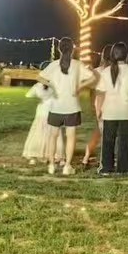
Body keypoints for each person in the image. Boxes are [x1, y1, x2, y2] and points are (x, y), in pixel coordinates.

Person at [39, 38, 93, 175]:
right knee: (71, 136)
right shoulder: (77, 65)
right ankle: (67, 166)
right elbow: (92, 77)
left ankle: (51, 165)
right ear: (73, 49)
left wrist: (52, 86)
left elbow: (40, 77)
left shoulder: (54, 65)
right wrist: (80, 87)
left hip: (56, 106)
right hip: (72, 106)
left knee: (53, 136)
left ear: (59, 49)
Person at [96, 42, 128, 175]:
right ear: (126, 55)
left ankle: (106, 168)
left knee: (108, 141)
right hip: (126, 110)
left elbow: (100, 92)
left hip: (109, 110)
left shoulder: (105, 72)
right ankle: (124, 168)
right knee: (125, 141)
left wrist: (99, 109)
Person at [80, 44, 111, 169]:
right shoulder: (115, 72)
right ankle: (106, 160)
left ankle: (86, 158)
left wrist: (93, 105)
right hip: (111, 105)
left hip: (98, 105)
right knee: (108, 134)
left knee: (98, 132)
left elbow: (91, 90)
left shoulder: (97, 71)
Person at [22, 72, 62, 165]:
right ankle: (54, 154)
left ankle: (36, 154)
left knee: (39, 131)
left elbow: (28, 95)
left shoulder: (38, 86)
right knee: (54, 133)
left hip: (42, 111)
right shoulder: (55, 85)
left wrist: (40, 98)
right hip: (53, 110)